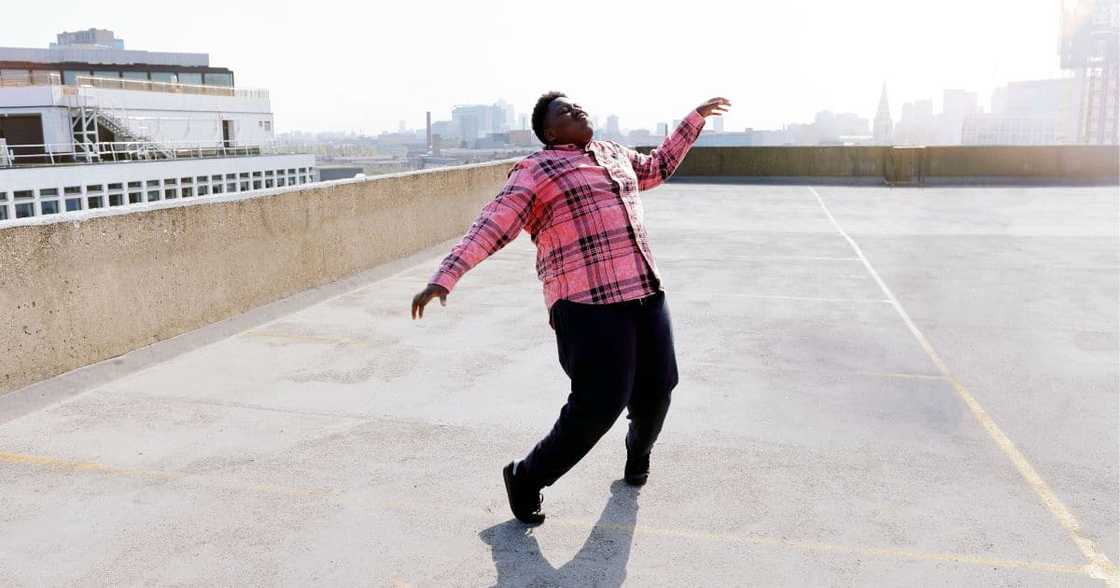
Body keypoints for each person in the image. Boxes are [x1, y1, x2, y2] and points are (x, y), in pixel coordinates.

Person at [411, 92, 731, 524]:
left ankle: (638, 452)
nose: (577, 111)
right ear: (549, 132)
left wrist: (693, 120)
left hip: (644, 291)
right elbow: (493, 224)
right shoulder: (537, 170)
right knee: (599, 404)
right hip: (587, 305)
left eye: (577, 105)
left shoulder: (612, 153)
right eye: (564, 111)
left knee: (659, 387)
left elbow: (656, 167)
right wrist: (444, 276)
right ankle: (526, 477)